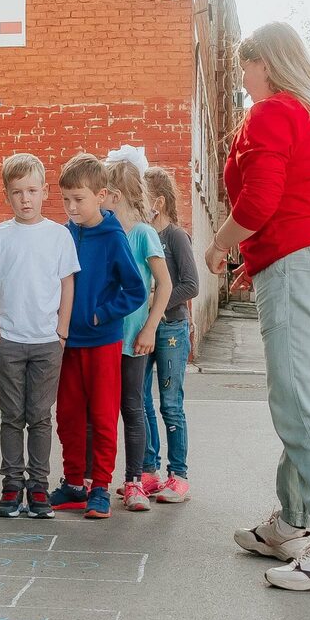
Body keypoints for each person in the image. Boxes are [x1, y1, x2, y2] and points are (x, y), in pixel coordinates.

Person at [206, 21, 310, 591]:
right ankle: (295, 523)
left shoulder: (272, 112)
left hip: (304, 268)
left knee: (302, 410)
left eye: (247, 67)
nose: (245, 80)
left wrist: (220, 245)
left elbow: (260, 200)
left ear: (266, 64)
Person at [0, 153, 80, 519]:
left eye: (32, 190)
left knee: (39, 416)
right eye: (18, 191)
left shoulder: (58, 236)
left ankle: (38, 487)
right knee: (11, 416)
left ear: (44, 192)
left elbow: (67, 284)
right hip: (10, 340)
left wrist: (62, 331)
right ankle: (11, 486)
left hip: (47, 342)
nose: (25, 199)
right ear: (7, 194)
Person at [49, 153, 148, 519]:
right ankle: (75, 483)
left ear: (101, 196)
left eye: (79, 199)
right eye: (66, 199)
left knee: (104, 415)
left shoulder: (113, 236)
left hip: (103, 340)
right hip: (67, 341)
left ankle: (101, 487)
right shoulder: (64, 233)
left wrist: (99, 313)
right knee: (69, 415)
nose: (72, 207)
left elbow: (135, 290)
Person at [103, 148, 172, 512]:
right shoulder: (103, 231)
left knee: (131, 407)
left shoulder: (144, 233)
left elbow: (165, 285)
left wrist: (149, 329)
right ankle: (92, 479)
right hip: (103, 337)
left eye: (101, 193)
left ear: (114, 195)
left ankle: (133, 482)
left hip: (133, 339)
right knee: (100, 409)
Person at [140, 165, 198, 501]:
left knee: (170, 405)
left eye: (142, 198)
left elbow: (191, 284)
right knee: (141, 400)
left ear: (158, 202)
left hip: (171, 330)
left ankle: (179, 476)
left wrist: (155, 301)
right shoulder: (143, 234)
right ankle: (149, 471)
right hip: (144, 330)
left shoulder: (175, 236)